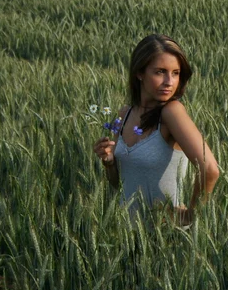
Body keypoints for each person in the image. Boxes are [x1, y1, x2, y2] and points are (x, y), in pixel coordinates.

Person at [92, 34, 219, 225]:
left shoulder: (171, 113)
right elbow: (120, 184)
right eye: (160, 72)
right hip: (127, 235)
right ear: (139, 73)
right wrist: (109, 162)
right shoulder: (123, 114)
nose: (169, 81)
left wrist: (190, 216)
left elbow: (209, 169)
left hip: (165, 239)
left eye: (176, 73)